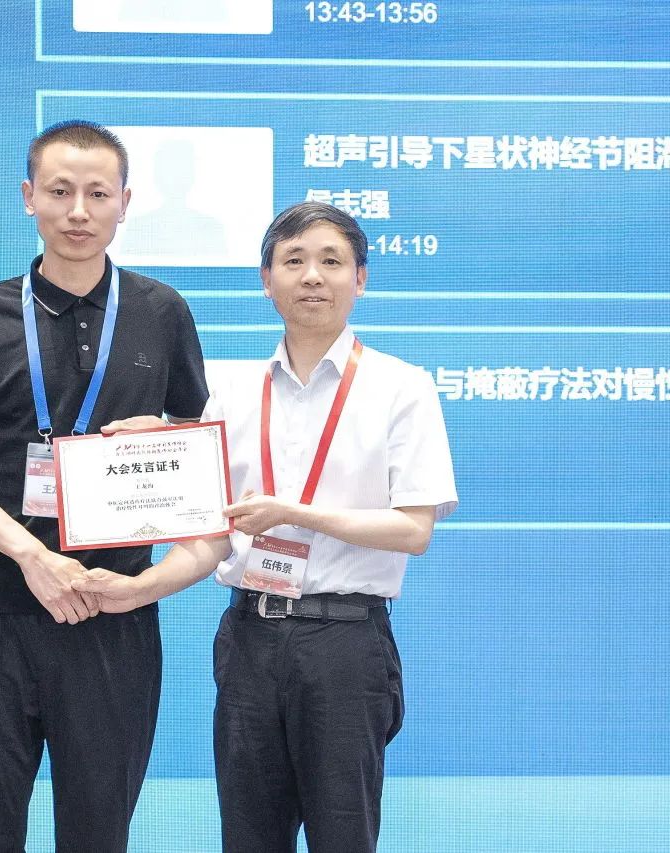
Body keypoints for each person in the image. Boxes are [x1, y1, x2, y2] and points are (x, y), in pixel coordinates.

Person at [74, 201, 458, 852]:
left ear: (360, 279)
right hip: (250, 638)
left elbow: (412, 529)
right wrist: (139, 585)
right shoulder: (231, 391)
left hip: (345, 644)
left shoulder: (402, 387)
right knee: (248, 836)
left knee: (343, 835)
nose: (313, 276)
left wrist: (292, 514)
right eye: (294, 260)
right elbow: (213, 534)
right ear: (266, 280)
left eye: (332, 261)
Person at [0, 120, 209, 852]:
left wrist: (162, 442)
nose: (79, 210)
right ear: (29, 197)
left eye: (98, 194)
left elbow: (196, 453)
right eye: (60, 191)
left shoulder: (162, 312)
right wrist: (32, 557)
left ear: (124, 203)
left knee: (99, 834)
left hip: (113, 612)